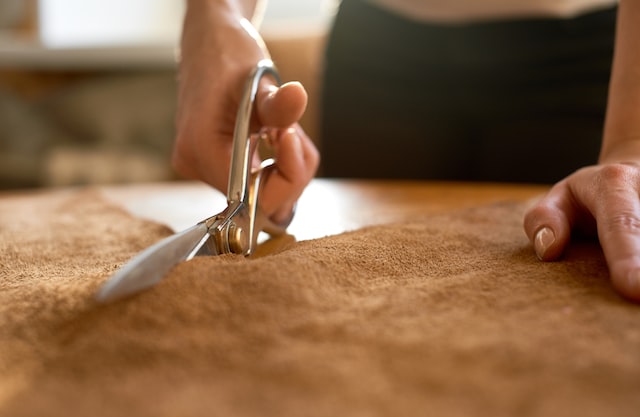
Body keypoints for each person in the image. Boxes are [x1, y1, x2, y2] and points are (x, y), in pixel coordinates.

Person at [172, 0, 640, 302]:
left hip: (593, 53)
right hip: (378, 46)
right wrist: (216, 17)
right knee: (360, 294)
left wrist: (632, 144)